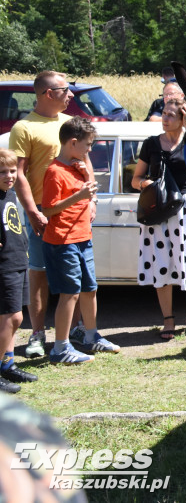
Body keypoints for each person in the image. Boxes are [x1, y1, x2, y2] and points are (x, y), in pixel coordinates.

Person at [9, 70, 91, 359]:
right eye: (65, 90)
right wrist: (32, 212)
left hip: (77, 215)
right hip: (44, 216)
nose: (70, 95)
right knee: (39, 276)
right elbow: (18, 174)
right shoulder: (24, 127)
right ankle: (37, 334)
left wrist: (90, 201)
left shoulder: (70, 123)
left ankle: (77, 330)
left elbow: (85, 158)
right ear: (47, 93)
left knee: (79, 277)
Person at [132, 99, 186, 339]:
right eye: (164, 114)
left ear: (183, 120)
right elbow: (135, 178)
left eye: (171, 115)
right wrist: (146, 184)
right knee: (161, 264)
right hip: (159, 208)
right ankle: (168, 319)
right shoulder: (150, 144)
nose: (165, 118)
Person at [41, 117, 119, 363]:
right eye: (88, 145)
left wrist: (86, 179)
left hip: (82, 238)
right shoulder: (55, 171)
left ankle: (91, 336)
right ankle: (60, 348)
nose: (90, 150)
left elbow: (88, 193)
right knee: (69, 293)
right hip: (63, 242)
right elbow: (48, 210)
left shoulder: (76, 166)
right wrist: (80, 195)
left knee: (89, 289)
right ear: (73, 142)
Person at [0, 150, 36, 393]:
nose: (9, 176)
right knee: (13, 318)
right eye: (2, 172)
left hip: (17, 260)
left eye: (12, 171)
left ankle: (8, 364)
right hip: (3, 265)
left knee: (12, 319)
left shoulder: (9, 193)